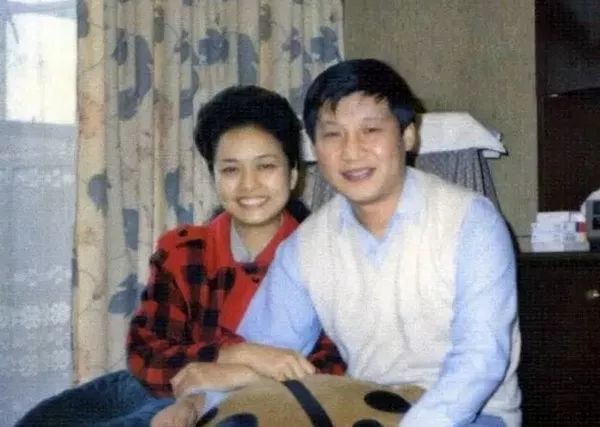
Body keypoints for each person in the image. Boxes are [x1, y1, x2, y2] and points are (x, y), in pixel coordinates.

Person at [209, 59, 522, 427]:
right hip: (368, 409)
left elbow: (481, 358)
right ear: (315, 148)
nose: (351, 151)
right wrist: (198, 405)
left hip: (473, 414)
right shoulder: (306, 246)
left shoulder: (472, 221)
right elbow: (264, 348)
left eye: (370, 130)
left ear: (408, 135)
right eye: (333, 135)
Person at [127, 85, 345, 425]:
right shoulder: (183, 252)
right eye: (230, 169)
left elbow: (336, 367)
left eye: (265, 166)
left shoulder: (323, 253)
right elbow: (146, 355)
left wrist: (233, 376)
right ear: (213, 176)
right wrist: (238, 355)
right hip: (173, 400)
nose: (248, 185)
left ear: (293, 174)